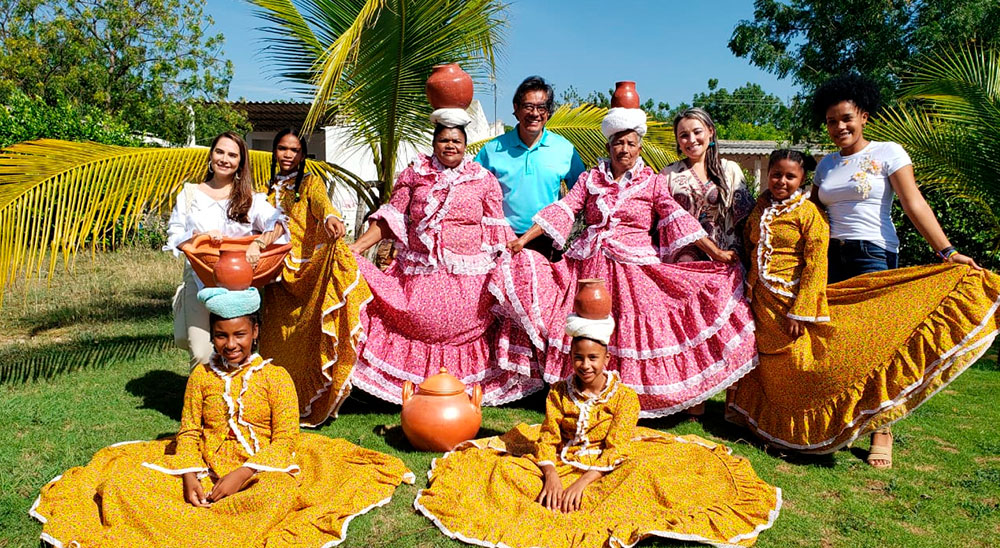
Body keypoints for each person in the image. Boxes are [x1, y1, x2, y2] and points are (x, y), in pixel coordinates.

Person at [30, 287, 414, 547]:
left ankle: (213, 525)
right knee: (121, 486)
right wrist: (188, 476)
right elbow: (190, 432)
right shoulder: (201, 376)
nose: (231, 345)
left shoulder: (275, 378)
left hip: (261, 469)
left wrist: (243, 473)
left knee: (275, 496)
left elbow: (285, 441)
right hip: (205, 465)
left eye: (239, 335)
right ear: (212, 336)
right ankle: (196, 516)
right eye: (221, 336)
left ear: (256, 332)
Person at [727, 149, 1000, 468]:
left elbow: (816, 261)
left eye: (790, 176)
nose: (782, 181)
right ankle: (772, 424)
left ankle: (876, 429)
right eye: (776, 174)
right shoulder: (765, 205)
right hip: (765, 299)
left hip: (850, 268)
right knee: (776, 364)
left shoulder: (813, 210)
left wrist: (802, 309)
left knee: (860, 343)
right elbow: (751, 245)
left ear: (802, 180)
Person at [414, 313, 781, 548]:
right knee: (504, 472)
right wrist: (553, 478)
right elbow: (547, 438)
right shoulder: (558, 393)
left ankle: (590, 502)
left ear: (607, 359)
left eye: (593, 358)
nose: (585, 365)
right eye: (578, 358)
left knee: (640, 474)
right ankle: (554, 494)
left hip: (606, 468)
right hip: (562, 460)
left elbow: (619, 446)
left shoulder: (624, 398)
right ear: (570, 358)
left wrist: (580, 482)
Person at [500, 98, 758, 417]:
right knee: (583, 325)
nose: (624, 149)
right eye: (618, 142)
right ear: (609, 146)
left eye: (631, 143)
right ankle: (581, 390)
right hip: (589, 265)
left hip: (636, 268)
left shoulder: (651, 182)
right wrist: (523, 240)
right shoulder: (590, 180)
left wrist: (716, 252)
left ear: (639, 146)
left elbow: (675, 215)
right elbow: (565, 208)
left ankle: (631, 396)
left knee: (633, 331)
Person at [811, 74, 980, 468]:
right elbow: (812, 212)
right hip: (831, 260)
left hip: (874, 255)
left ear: (864, 116)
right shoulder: (825, 165)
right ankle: (841, 424)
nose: (839, 127)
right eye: (832, 121)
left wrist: (947, 251)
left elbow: (913, 203)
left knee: (878, 346)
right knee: (837, 345)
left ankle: (882, 431)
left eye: (846, 118)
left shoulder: (889, 152)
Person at [347, 110, 542, 405]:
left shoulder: (482, 179)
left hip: (470, 278)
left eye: (456, 141)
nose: (450, 146)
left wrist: (511, 262)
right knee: (409, 316)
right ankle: (392, 391)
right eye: (444, 140)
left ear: (465, 145)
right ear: (434, 142)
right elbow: (391, 217)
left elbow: (496, 228)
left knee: (472, 319)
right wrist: (356, 249)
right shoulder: (415, 174)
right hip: (418, 273)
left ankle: (461, 390)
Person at [258, 129, 373, 427]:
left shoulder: (310, 183)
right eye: (282, 148)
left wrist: (331, 218)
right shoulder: (264, 188)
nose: (287, 154)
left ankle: (313, 401)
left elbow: (322, 204)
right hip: (275, 274)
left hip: (307, 273)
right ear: (274, 152)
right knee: (276, 344)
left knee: (307, 342)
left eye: (294, 150)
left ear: (302, 155)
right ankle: (275, 402)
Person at [165, 131, 286, 366]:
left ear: (240, 163)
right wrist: (198, 237)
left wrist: (258, 242)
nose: (224, 159)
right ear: (210, 155)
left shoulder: (250, 199)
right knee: (200, 353)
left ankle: (235, 401)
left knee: (236, 351)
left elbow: (280, 223)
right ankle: (201, 400)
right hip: (199, 279)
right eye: (219, 152)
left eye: (232, 155)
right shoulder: (190, 194)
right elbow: (174, 236)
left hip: (238, 285)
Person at [475, 76, 585, 261]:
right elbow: (472, 190)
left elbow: (581, 194)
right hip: (503, 241)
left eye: (541, 107)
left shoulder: (565, 150)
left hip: (547, 241)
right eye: (528, 106)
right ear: (516, 108)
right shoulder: (492, 150)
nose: (535, 113)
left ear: (548, 112)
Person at [660, 107, 755, 262]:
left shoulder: (729, 170)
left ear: (710, 131)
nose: (691, 139)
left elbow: (746, 220)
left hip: (726, 259)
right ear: (677, 140)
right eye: (684, 135)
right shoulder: (668, 174)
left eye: (697, 132)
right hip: (682, 263)